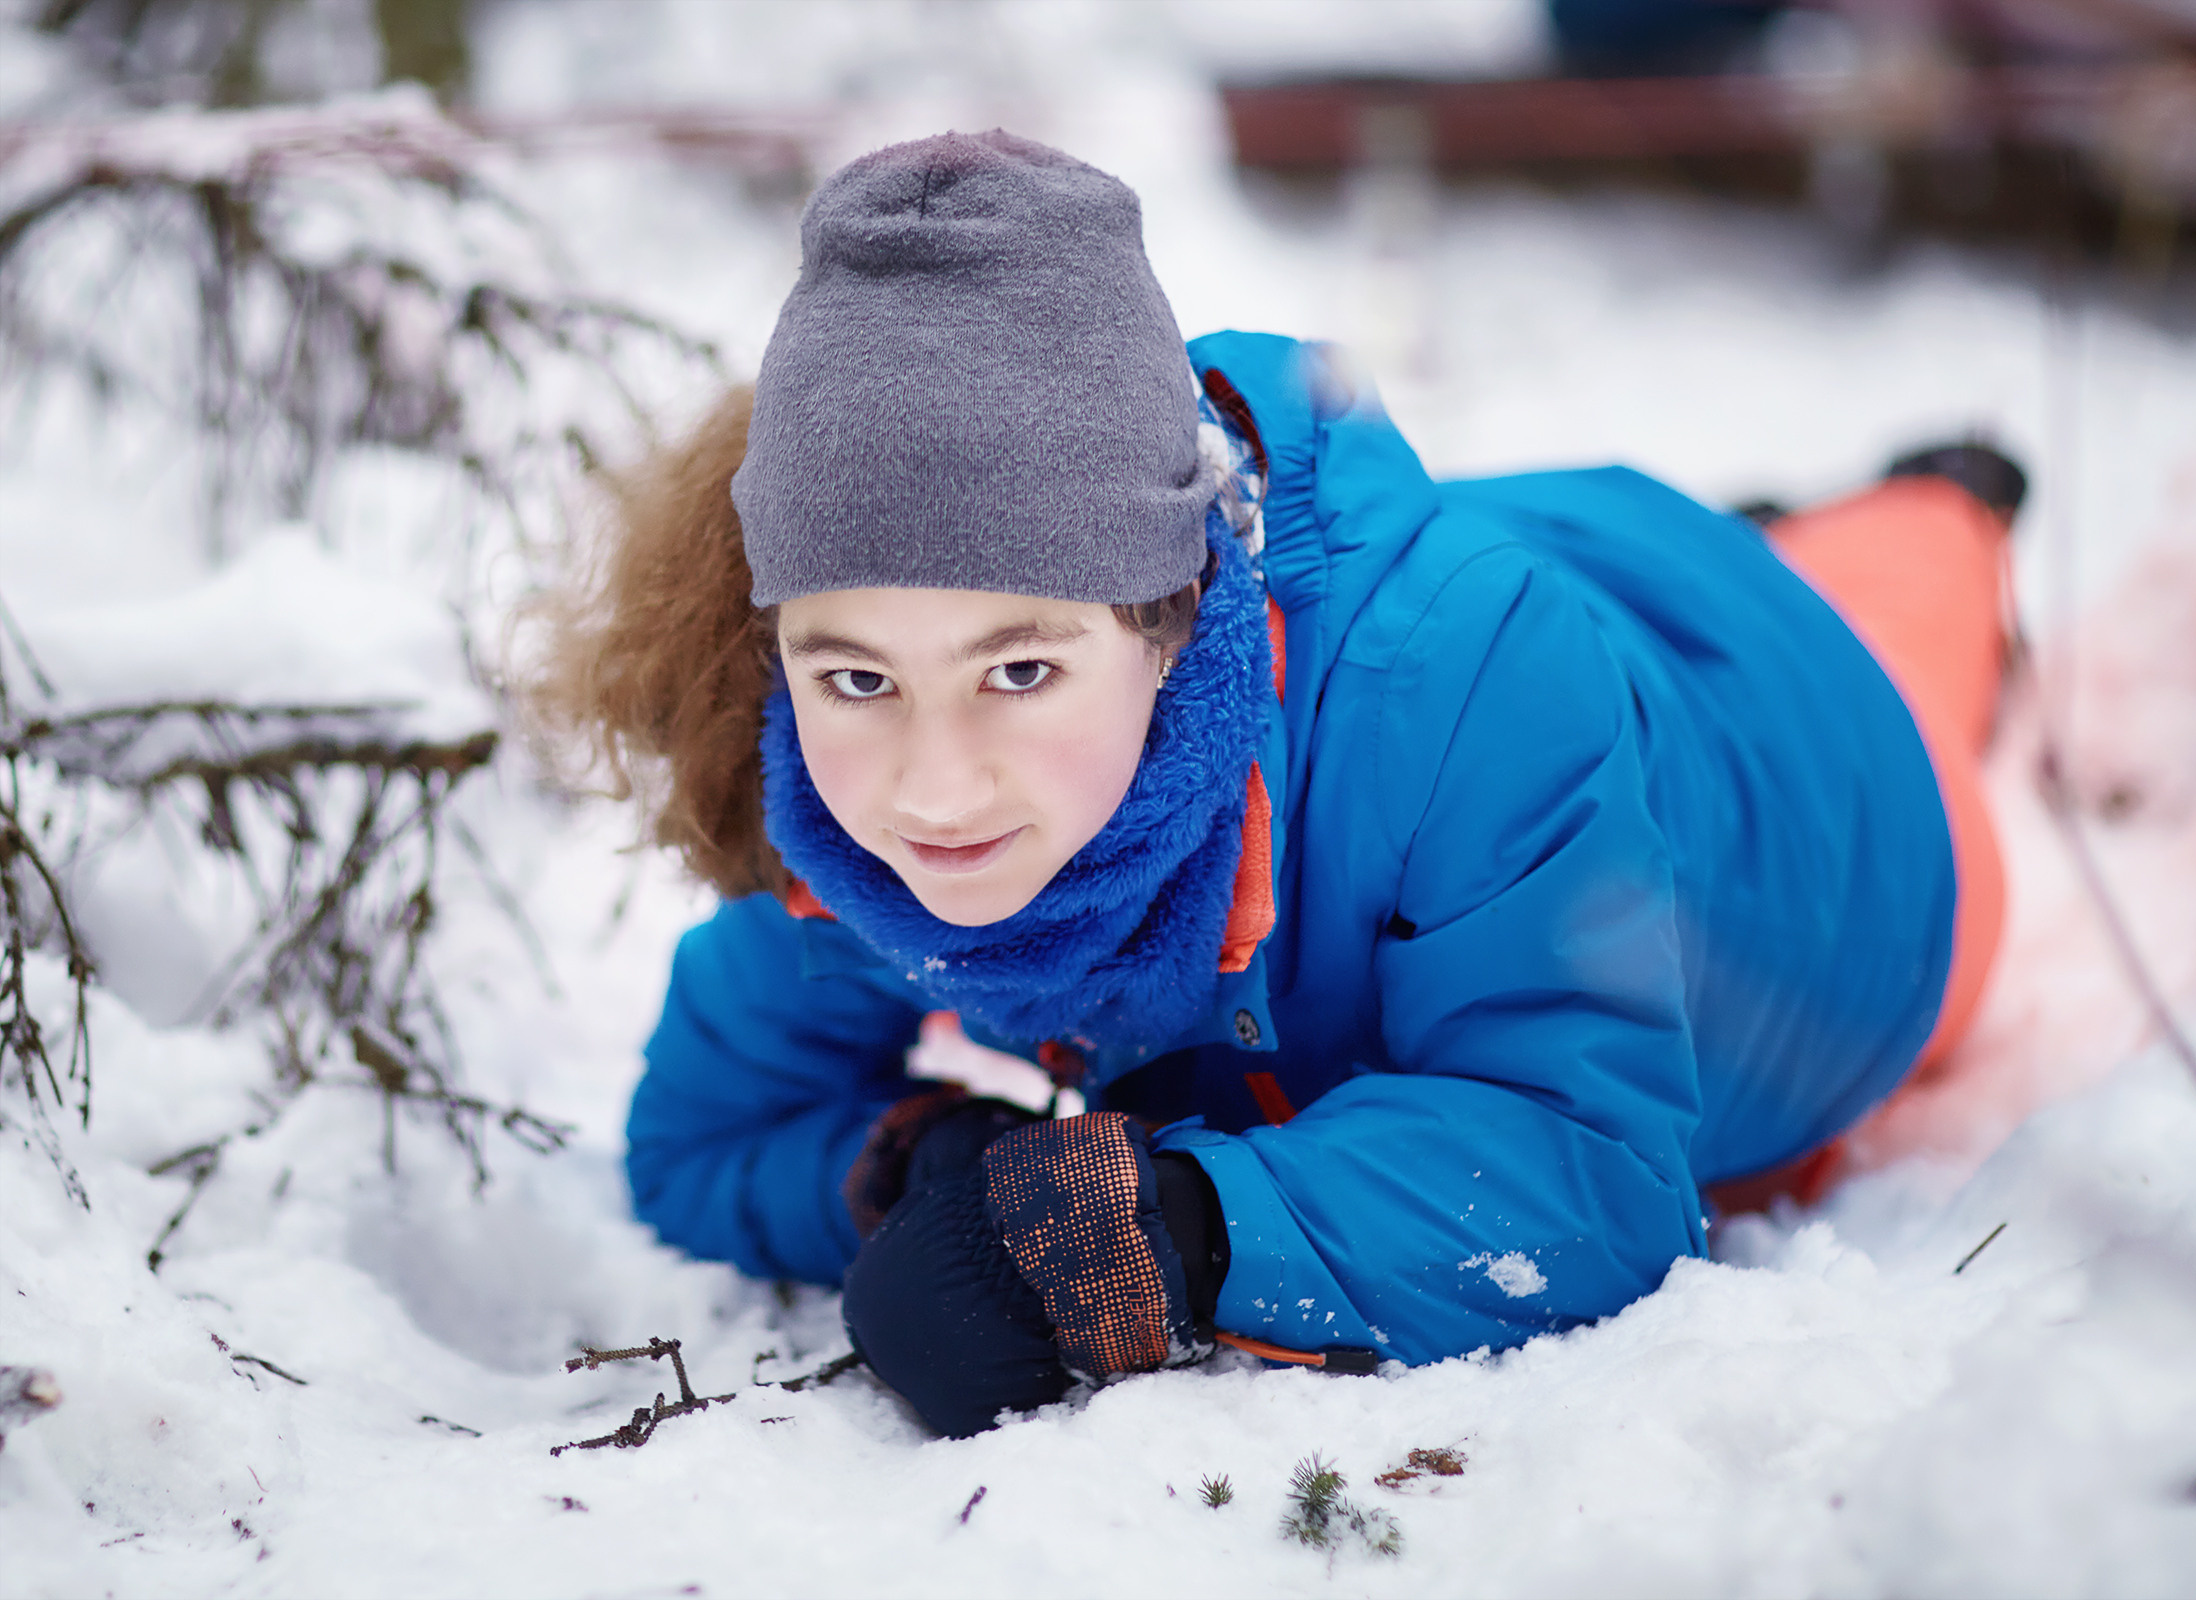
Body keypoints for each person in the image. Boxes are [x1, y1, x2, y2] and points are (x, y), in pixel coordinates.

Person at [525, 129, 2019, 1439]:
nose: (929, 789)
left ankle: (1937, 504)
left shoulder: (1473, 691)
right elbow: (701, 1138)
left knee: (1905, 612)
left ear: (1174, 622)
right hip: (1529, 582)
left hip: (1835, 790)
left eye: (1020, 671)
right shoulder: (847, 817)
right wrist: (919, 1171)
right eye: (857, 677)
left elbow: (1595, 1167)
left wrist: (1169, 1233)